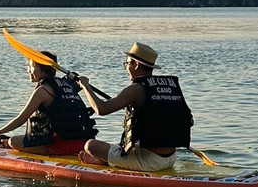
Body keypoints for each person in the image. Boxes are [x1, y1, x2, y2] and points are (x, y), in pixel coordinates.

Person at [75, 42, 193, 171]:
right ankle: (111, 160)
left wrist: (85, 85)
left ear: (136, 65)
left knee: (90, 145)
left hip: (148, 162)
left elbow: (101, 109)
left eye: (127, 63)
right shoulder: (170, 87)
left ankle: (104, 161)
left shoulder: (136, 89)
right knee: (123, 145)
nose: (126, 67)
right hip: (170, 158)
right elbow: (189, 120)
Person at [0, 51, 97, 155]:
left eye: (32, 67)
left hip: (62, 145)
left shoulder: (42, 91)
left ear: (42, 69)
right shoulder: (67, 85)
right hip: (83, 142)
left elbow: (20, 119)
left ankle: (45, 150)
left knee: (13, 141)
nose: (28, 70)